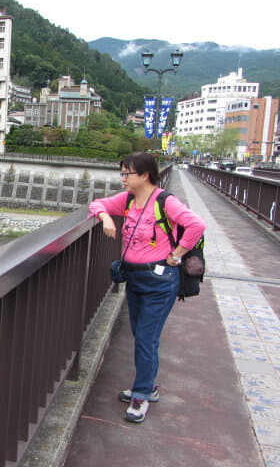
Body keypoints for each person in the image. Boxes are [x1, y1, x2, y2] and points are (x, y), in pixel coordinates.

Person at [89, 152, 205, 423]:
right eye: (122, 173)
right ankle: (147, 384)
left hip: (160, 282)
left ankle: (142, 394)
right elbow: (97, 203)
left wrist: (176, 253)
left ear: (144, 175)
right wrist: (106, 218)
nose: (123, 179)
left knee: (145, 338)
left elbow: (196, 225)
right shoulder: (128, 200)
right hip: (135, 279)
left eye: (127, 174)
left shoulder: (166, 202)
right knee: (142, 336)